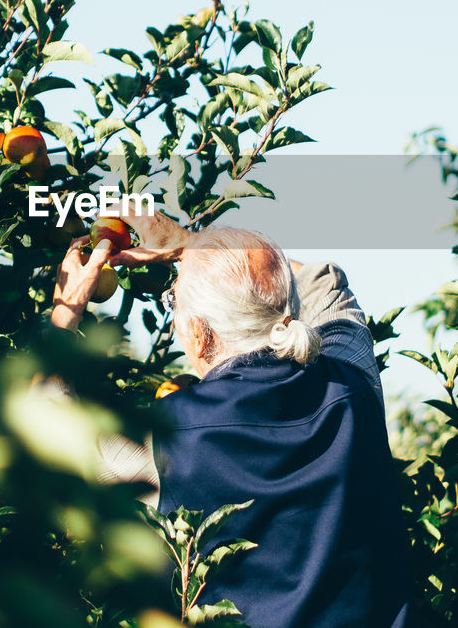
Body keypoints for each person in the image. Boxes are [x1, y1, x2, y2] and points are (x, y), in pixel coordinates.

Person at [49, 213, 413, 628]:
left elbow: (48, 425)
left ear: (198, 333)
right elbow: (320, 283)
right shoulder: (352, 383)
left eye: (174, 302)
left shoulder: (170, 437)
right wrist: (191, 242)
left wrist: (65, 313)